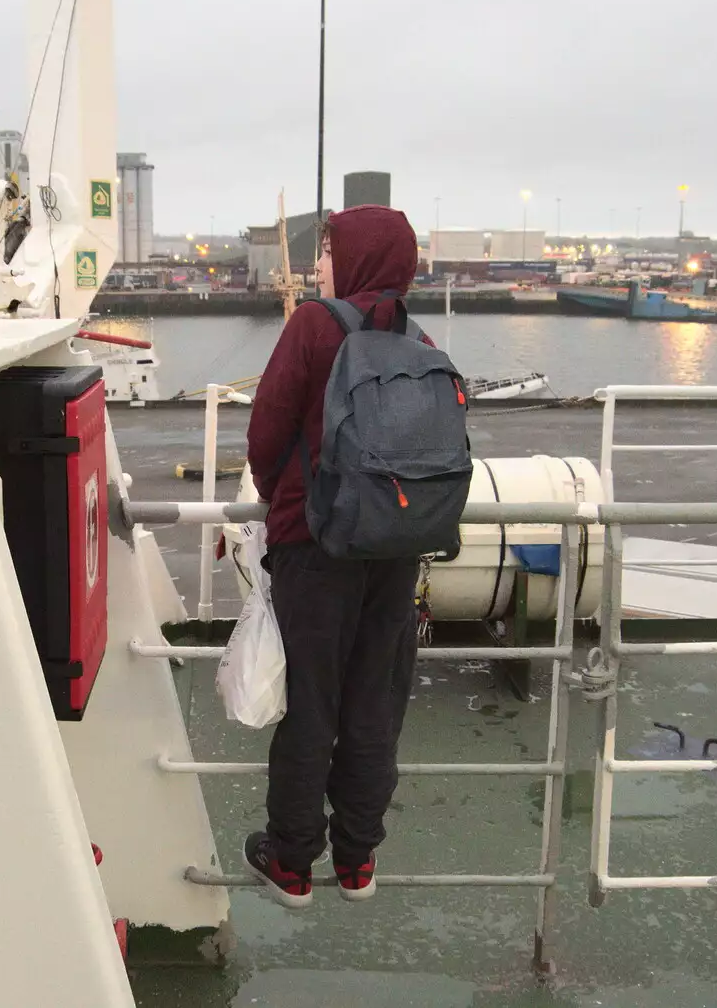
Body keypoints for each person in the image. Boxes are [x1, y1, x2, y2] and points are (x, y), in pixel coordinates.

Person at [242, 204, 432, 908]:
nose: (318, 266)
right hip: (395, 547)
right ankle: (357, 860)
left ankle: (291, 863)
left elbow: (267, 431)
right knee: (373, 706)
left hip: (316, 546)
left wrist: (282, 501)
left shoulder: (314, 327)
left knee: (310, 706)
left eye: (325, 252)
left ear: (352, 259)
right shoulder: (418, 336)